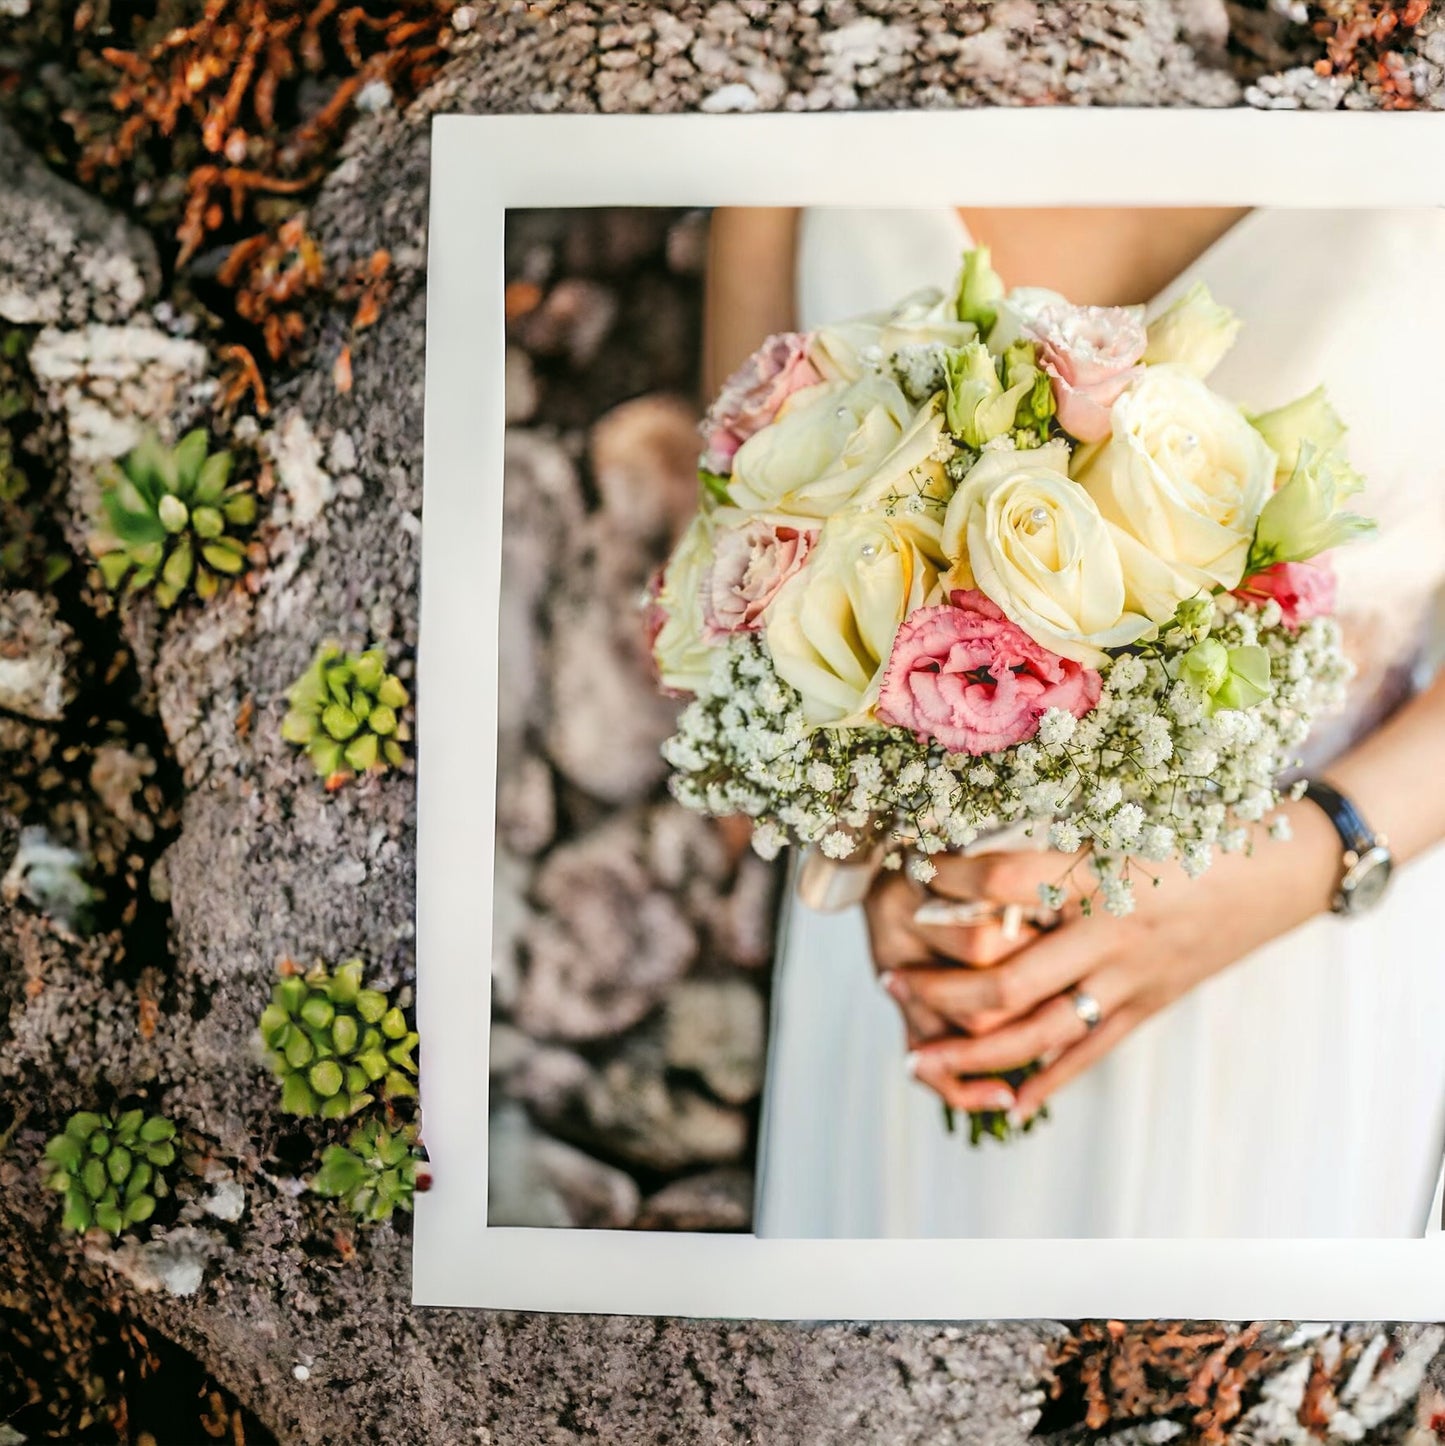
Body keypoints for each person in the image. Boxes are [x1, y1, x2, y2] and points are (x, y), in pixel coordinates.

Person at [702, 205, 1445, 1237]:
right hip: (910, 965)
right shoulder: (782, 88)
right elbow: (727, 561)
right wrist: (861, 835)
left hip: (1293, 949)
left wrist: (1301, 862)